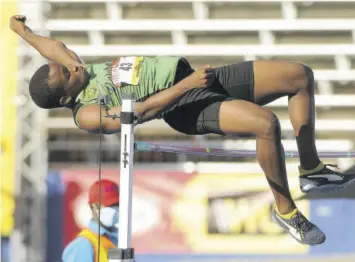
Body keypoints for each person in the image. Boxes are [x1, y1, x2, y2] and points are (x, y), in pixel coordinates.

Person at [11, 15, 355, 246]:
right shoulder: (85, 112)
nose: (73, 66)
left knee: (299, 75)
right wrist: (187, 85)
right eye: (67, 74)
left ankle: (312, 171)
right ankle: (287, 212)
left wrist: (22, 32)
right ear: (66, 96)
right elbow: (141, 112)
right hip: (184, 105)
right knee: (266, 124)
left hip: (196, 78)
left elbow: (52, 48)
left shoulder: (75, 71)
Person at [62, 179, 119, 262]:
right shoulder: (83, 245)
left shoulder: (117, 241)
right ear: (93, 207)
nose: (114, 209)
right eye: (109, 205)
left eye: (117, 204)